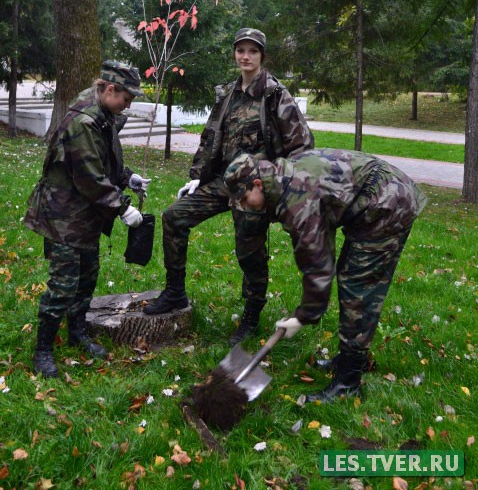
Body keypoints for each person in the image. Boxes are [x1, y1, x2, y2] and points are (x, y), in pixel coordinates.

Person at [143, 28, 313, 345]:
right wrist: (197, 175)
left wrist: (280, 186)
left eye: (252, 51)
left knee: (250, 252)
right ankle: (175, 292)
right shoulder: (229, 93)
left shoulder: (275, 94)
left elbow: (302, 146)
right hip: (223, 181)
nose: (245, 56)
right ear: (235, 53)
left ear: (262, 55)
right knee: (174, 216)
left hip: (256, 188)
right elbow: (210, 137)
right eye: (241, 50)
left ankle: (251, 315)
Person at [223, 149, 427, 401]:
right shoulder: (279, 179)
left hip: (387, 201)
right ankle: (349, 360)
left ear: (257, 184)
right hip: (369, 197)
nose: (243, 206)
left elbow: (318, 266)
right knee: (350, 276)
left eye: (243, 198)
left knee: (358, 288)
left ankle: (349, 382)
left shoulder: (297, 201)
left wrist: (303, 316)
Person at [24, 61, 151, 378]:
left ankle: (77, 332)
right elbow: (90, 177)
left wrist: (128, 176)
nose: (128, 105)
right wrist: (123, 208)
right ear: (110, 89)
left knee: (87, 277)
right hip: (63, 214)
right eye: (126, 98)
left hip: (84, 214)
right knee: (62, 286)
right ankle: (43, 351)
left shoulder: (103, 115)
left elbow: (104, 158)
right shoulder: (83, 121)